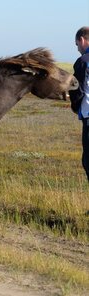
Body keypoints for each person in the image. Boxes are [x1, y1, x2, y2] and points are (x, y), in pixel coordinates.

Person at [70, 26, 89, 181]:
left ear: (82, 40)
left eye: (77, 44)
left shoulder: (83, 62)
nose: (77, 48)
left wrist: (75, 107)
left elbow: (78, 90)